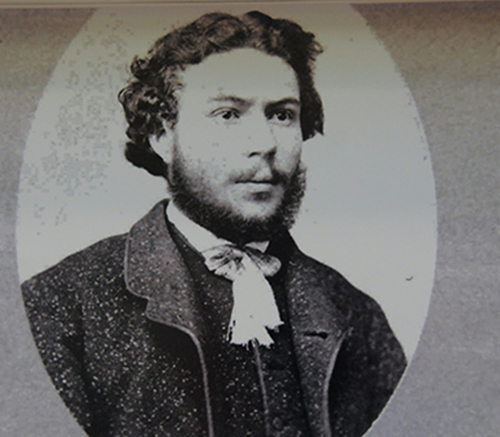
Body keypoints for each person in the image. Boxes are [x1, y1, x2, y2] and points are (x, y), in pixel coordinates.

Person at [22, 11, 406, 437]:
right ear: (162, 135)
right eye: (228, 114)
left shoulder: (357, 316)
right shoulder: (58, 306)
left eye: (282, 115)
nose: (264, 143)